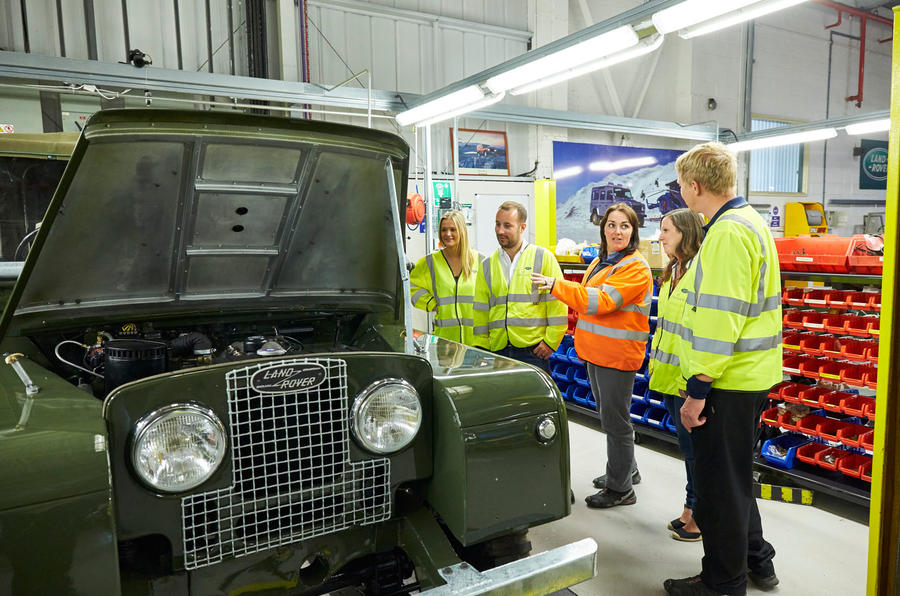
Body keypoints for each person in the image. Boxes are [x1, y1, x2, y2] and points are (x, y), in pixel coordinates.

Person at [663, 142, 782, 596]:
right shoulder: (750, 222)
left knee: (719, 489)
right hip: (749, 376)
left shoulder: (728, 233)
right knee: (734, 484)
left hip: (726, 383)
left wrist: (696, 392)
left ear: (695, 187)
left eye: (681, 186)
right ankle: (754, 564)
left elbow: (718, 322)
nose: (680, 193)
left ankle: (722, 582)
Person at [532, 203, 652, 508]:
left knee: (616, 422)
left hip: (617, 357)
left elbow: (600, 301)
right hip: (596, 354)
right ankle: (627, 470)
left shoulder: (635, 267)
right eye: (611, 225)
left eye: (624, 226)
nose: (617, 231)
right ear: (603, 230)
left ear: (633, 231)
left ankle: (621, 489)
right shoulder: (602, 261)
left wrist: (556, 285)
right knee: (612, 417)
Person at [647, 208, 705, 541]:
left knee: (696, 454)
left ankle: (698, 515)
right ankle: (689, 508)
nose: (660, 236)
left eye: (666, 230)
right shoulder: (672, 271)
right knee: (687, 452)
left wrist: (692, 384)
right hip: (668, 376)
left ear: (685, 232)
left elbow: (700, 333)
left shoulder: (701, 272)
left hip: (687, 382)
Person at [473, 201, 567, 372]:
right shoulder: (487, 265)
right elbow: (480, 310)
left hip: (533, 353)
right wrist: (482, 347)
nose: (500, 231)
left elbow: (558, 303)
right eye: (497, 224)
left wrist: (550, 342)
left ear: (522, 227)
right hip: (497, 352)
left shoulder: (543, 258)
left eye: (507, 225)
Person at [409, 210, 483, 347]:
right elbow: (411, 286)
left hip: (476, 342)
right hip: (445, 341)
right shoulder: (430, 262)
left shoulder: (480, 260)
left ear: (461, 231)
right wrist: (431, 304)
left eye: (452, 229)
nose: (447, 234)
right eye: (444, 230)